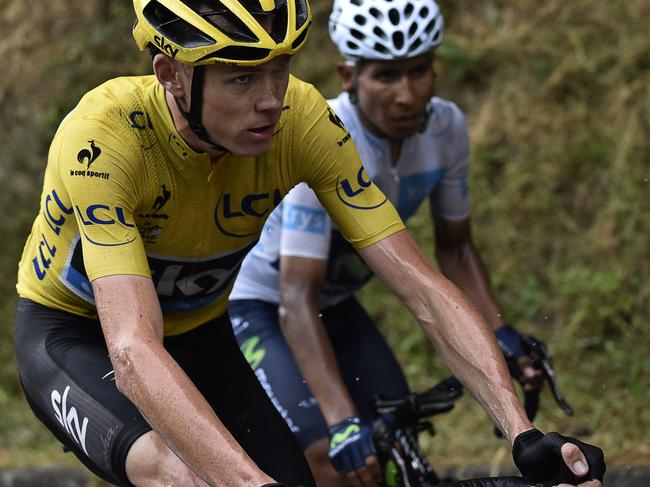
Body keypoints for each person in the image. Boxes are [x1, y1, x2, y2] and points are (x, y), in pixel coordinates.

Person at [13, 0, 603, 486]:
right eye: (242, 77)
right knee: (184, 477)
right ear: (170, 73)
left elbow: (422, 288)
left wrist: (522, 433)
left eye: (280, 68)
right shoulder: (105, 137)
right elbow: (134, 352)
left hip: (202, 333)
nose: (270, 99)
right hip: (75, 338)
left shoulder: (301, 120)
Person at [228, 0, 604, 486]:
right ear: (348, 76)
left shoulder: (446, 129)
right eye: (386, 76)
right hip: (266, 305)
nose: (406, 95)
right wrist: (341, 418)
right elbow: (297, 297)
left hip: (335, 305)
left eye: (419, 72)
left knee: (397, 436)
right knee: (327, 457)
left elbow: (457, 251)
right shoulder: (320, 134)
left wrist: (502, 335)